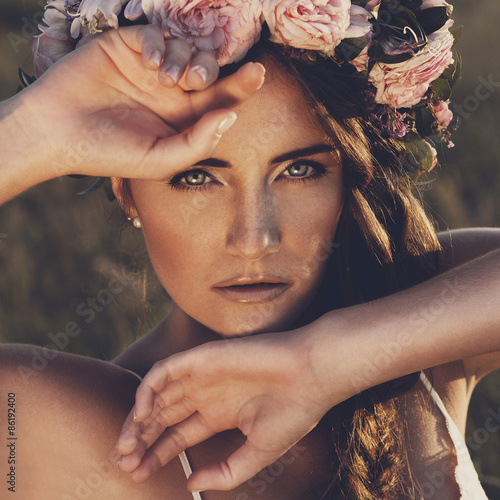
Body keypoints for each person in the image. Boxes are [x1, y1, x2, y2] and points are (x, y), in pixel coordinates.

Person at [0, 1, 499, 499]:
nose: (254, 238)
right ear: (126, 189)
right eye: (196, 177)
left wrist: (328, 361)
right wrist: (31, 130)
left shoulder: (416, 330)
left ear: (347, 175)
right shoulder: (81, 427)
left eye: (300, 170)